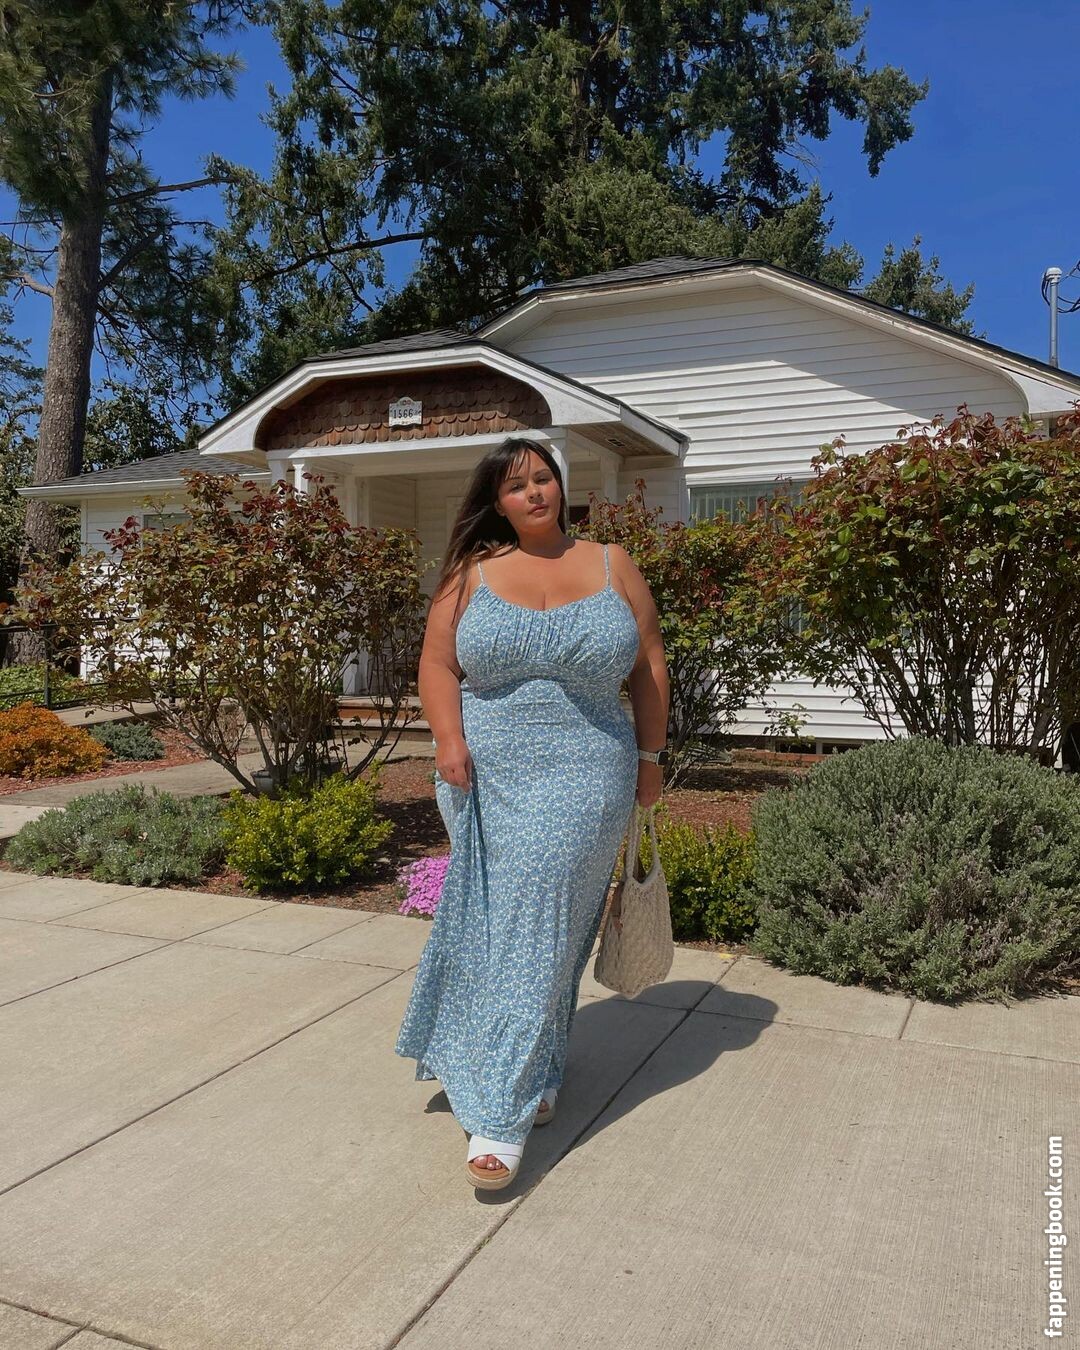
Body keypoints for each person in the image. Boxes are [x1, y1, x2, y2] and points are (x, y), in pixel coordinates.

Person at [393, 435, 670, 1190]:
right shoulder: (472, 574)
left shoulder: (612, 563)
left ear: (560, 485)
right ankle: (538, 1068)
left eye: (543, 478)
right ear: (498, 502)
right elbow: (436, 662)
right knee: (521, 930)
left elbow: (648, 665)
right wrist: (447, 739)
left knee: (542, 923)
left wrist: (650, 758)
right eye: (517, 486)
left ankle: (499, 1111)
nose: (535, 493)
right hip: (488, 773)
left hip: (588, 771)